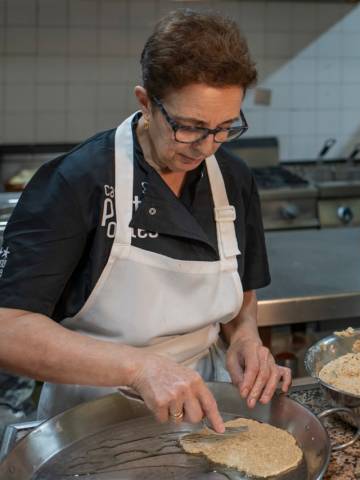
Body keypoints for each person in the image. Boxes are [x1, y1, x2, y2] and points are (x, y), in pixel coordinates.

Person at [0, 9, 290, 432]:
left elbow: (241, 293)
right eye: (189, 127)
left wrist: (245, 338)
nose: (207, 147)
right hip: (92, 417)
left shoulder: (233, 178)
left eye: (225, 127)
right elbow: (9, 329)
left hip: (204, 408)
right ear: (146, 103)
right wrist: (139, 368)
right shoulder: (77, 182)